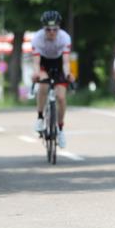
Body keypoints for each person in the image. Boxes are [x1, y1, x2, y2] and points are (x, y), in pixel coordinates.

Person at [31, 10, 73, 147]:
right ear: (43, 28)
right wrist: (36, 74)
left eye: (55, 29)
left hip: (59, 63)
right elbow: (36, 63)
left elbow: (66, 62)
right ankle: (40, 117)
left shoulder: (65, 38)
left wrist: (68, 74)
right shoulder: (37, 38)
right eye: (48, 29)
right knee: (43, 84)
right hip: (44, 63)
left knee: (61, 97)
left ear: (59, 28)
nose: (52, 32)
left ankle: (60, 130)